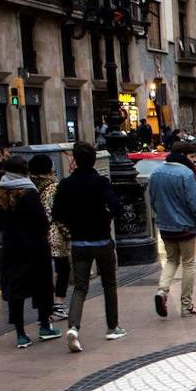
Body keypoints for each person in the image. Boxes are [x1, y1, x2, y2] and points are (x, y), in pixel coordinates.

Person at [52, 142, 123, 352]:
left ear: (74, 160)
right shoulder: (100, 182)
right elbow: (117, 207)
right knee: (109, 284)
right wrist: (106, 216)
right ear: (93, 160)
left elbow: (57, 213)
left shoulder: (66, 184)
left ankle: (73, 326)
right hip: (102, 240)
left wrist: (72, 226)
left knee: (80, 287)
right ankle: (112, 327)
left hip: (79, 242)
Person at [0, 158, 60, 348]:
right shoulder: (29, 192)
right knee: (42, 286)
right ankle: (45, 326)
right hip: (34, 247)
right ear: (24, 172)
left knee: (16, 290)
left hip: (11, 248)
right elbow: (41, 219)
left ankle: (21, 333)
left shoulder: (0, 192)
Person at [149, 147, 196, 318]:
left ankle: (162, 290)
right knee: (188, 263)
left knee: (172, 260)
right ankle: (186, 305)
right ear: (183, 156)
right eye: (192, 156)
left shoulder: (156, 173)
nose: (194, 160)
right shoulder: (186, 174)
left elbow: (152, 199)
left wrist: (161, 216)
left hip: (166, 226)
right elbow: (195, 202)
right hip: (185, 226)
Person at [28, 155, 70, 321]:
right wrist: (68, 234)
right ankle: (58, 305)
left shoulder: (30, 186)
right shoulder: (54, 187)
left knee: (44, 272)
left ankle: (45, 308)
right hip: (54, 234)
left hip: (37, 234)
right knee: (63, 269)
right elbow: (59, 214)